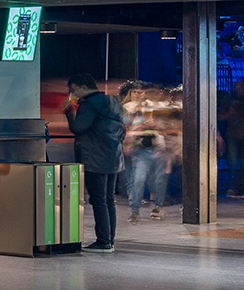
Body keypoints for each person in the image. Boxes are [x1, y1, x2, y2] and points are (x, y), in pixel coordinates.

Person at [66, 73, 125, 252]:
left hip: (95, 157)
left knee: (98, 200)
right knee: (108, 199)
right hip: (112, 156)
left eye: (73, 89)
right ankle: (109, 240)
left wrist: (69, 111)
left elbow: (78, 127)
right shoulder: (111, 102)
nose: (72, 94)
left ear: (83, 86)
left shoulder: (90, 104)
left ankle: (103, 241)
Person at [120, 83, 173, 222]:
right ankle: (135, 210)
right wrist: (136, 131)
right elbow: (126, 125)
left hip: (160, 147)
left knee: (158, 180)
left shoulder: (162, 108)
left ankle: (158, 207)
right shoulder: (133, 108)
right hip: (142, 148)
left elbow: (170, 126)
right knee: (138, 179)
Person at [220, 81, 244, 202]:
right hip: (233, 133)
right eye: (237, 85)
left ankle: (241, 187)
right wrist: (230, 113)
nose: (239, 88)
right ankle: (233, 186)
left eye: (241, 85)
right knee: (232, 161)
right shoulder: (229, 98)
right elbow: (220, 116)